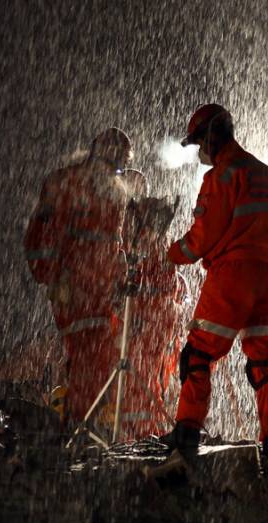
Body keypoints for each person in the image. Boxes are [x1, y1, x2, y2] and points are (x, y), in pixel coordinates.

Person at [162, 104, 268, 459]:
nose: (199, 152)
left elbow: (201, 239)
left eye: (198, 143)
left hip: (231, 276)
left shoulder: (221, 176)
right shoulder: (267, 174)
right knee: (262, 363)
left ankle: (187, 435)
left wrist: (169, 255)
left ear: (210, 136)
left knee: (197, 355)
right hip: (265, 277)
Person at [23, 127, 133, 423]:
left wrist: (119, 278)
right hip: (76, 288)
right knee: (88, 358)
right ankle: (79, 426)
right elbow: (44, 234)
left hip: (97, 290)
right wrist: (54, 277)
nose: (120, 172)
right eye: (120, 164)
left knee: (97, 358)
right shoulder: (72, 184)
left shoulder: (107, 192)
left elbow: (113, 244)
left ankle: (81, 424)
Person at [118, 169, 182, 438]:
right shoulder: (151, 217)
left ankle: (142, 434)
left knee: (139, 374)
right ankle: (145, 430)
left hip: (149, 309)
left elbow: (136, 262)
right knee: (149, 375)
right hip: (159, 309)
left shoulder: (138, 220)